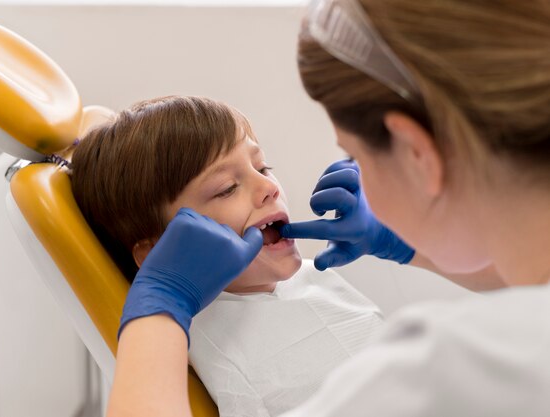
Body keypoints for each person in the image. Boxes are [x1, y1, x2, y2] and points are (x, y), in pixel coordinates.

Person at [107, 0, 550, 416]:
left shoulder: (438, 374)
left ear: (418, 154)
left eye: (355, 154)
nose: (268, 187)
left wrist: (160, 307)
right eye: (226, 188)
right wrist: (415, 248)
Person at [70, 95, 385, 416]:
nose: (269, 186)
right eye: (226, 188)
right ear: (156, 252)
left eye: (262, 166)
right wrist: (167, 296)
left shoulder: (315, 277)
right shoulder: (181, 341)